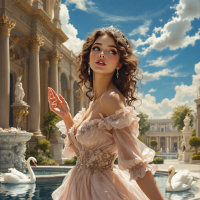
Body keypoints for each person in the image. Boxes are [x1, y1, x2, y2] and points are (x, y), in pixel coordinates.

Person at [49, 25, 165, 200]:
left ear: (119, 63)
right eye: (97, 48)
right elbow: (80, 151)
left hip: (100, 190)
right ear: (89, 57)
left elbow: (136, 165)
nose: (102, 54)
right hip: (79, 186)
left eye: (111, 51)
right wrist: (66, 116)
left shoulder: (111, 100)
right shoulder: (95, 102)